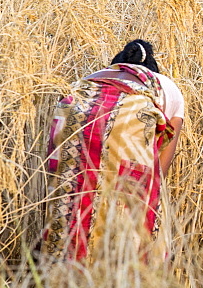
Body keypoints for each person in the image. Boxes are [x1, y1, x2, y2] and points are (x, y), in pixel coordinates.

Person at [40, 39, 185, 262]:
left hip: (73, 117)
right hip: (129, 123)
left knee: (71, 201)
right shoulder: (167, 87)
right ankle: (121, 280)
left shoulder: (93, 78)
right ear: (153, 69)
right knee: (128, 215)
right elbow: (160, 165)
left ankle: (60, 281)